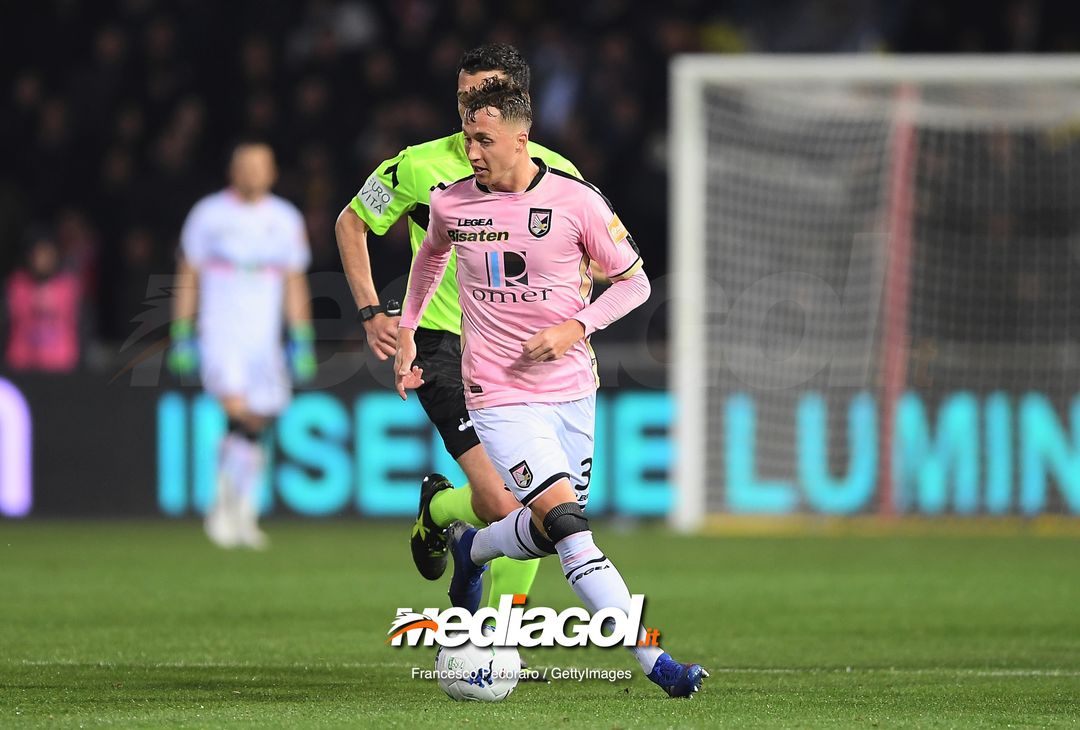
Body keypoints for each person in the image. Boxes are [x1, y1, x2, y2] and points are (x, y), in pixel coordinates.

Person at [394, 79, 707, 698]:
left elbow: (635, 283)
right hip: (496, 392)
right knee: (568, 527)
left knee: (542, 529)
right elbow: (430, 256)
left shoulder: (576, 202)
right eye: (467, 137)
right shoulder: (452, 202)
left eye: (484, 140)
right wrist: (408, 331)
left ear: (521, 136)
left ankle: (474, 550)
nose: (473, 151)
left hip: (570, 388)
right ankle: (658, 664)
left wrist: (575, 327)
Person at [336, 45, 581, 610]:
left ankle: (495, 630)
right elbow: (352, 221)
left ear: (518, 104)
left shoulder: (558, 174)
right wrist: (374, 311)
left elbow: (591, 259)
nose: (472, 110)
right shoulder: (417, 166)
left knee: (536, 504)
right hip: (444, 347)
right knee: (503, 503)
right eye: (464, 97)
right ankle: (444, 518)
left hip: (523, 354)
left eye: (485, 95)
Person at [167, 141, 315, 549]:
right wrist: (182, 331)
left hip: (263, 337)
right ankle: (226, 512)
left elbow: (294, 280)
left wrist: (301, 337)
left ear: (272, 172)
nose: (252, 172)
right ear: (232, 170)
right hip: (220, 331)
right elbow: (189, 272)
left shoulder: (285, 218)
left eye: (260, 165)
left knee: (257, 419)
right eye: (245, 165)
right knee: (236, 410)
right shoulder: (208, 214)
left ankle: (238, 506)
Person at [3, 227, 82, 373]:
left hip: (60, 365)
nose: (43, 259)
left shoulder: (68, 285)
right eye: (38, 254)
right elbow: (14, 315)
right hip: (22, 363)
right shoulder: (17, 284)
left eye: (48, 254)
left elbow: (71, 316)